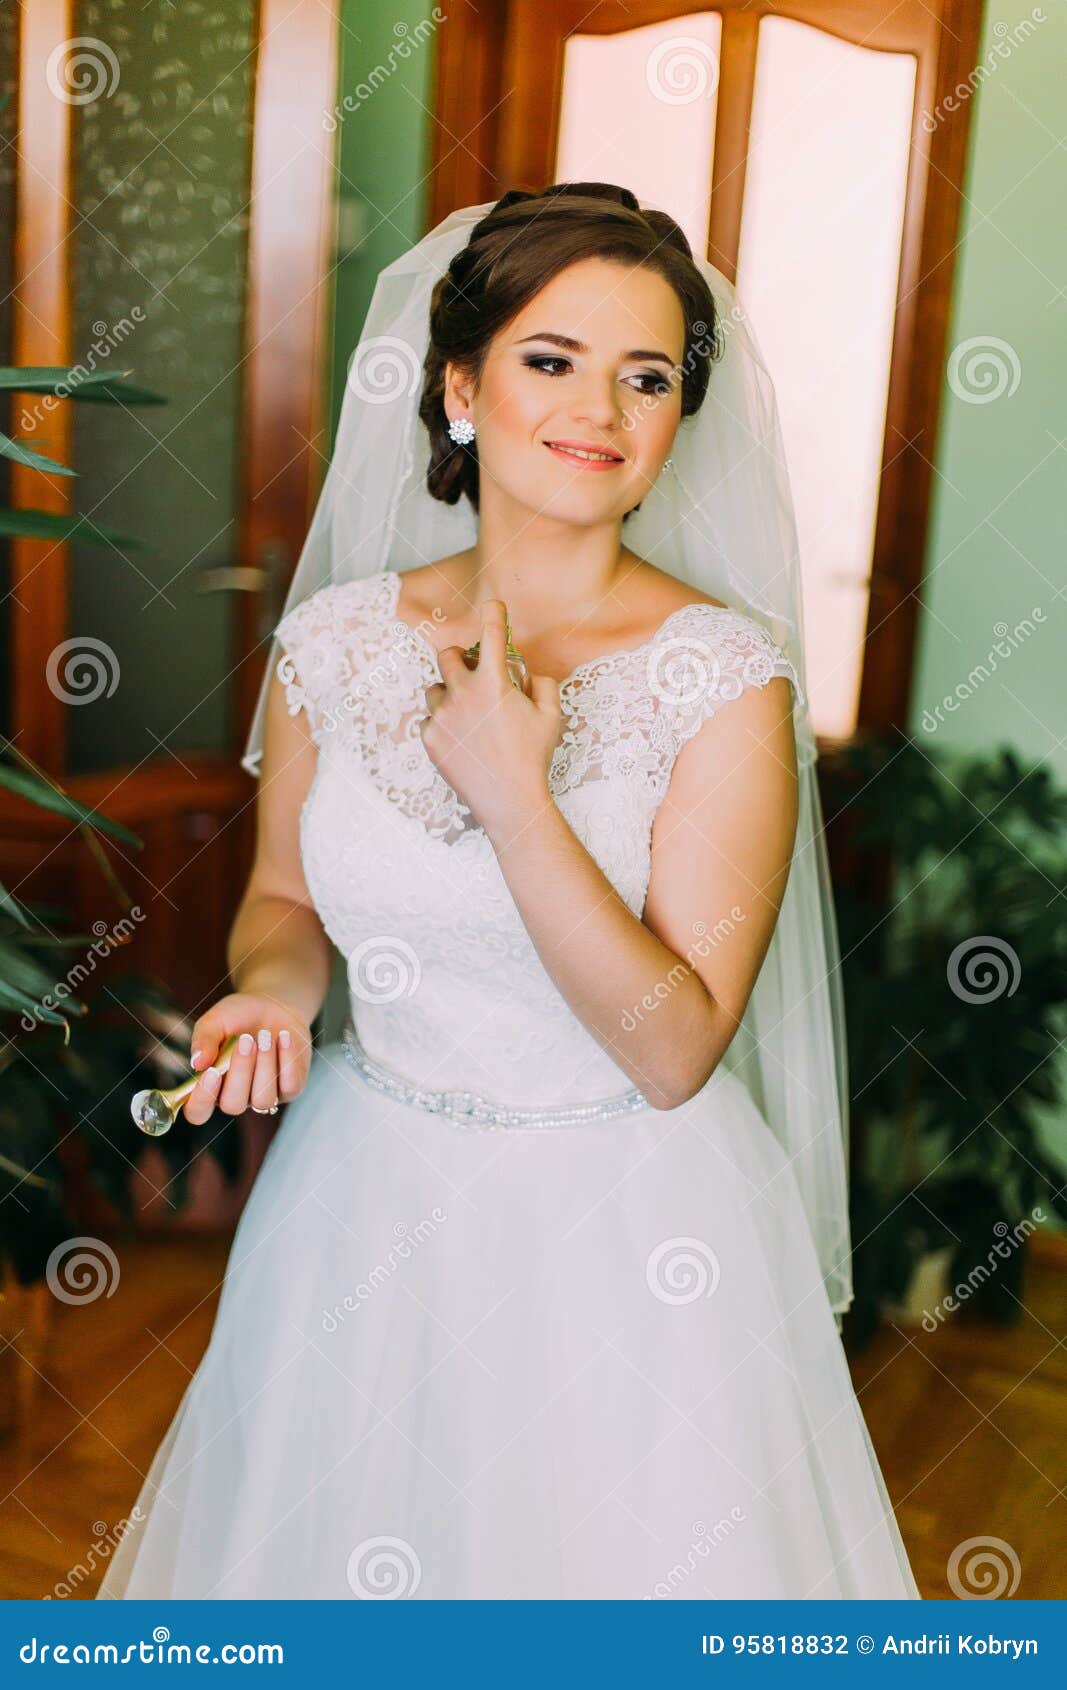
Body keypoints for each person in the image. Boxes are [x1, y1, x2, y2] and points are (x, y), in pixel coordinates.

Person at [99, 184, 920, 1600]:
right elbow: (286, 895)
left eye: (647, 375)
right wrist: (273, 993)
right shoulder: (336, 640)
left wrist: (515, 794)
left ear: (675, 424)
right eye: (553, 358)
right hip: (365, 1201)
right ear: (461, 384)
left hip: (630, 1233)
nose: (601, 403)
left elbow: (673, 1047)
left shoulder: (723, 679)